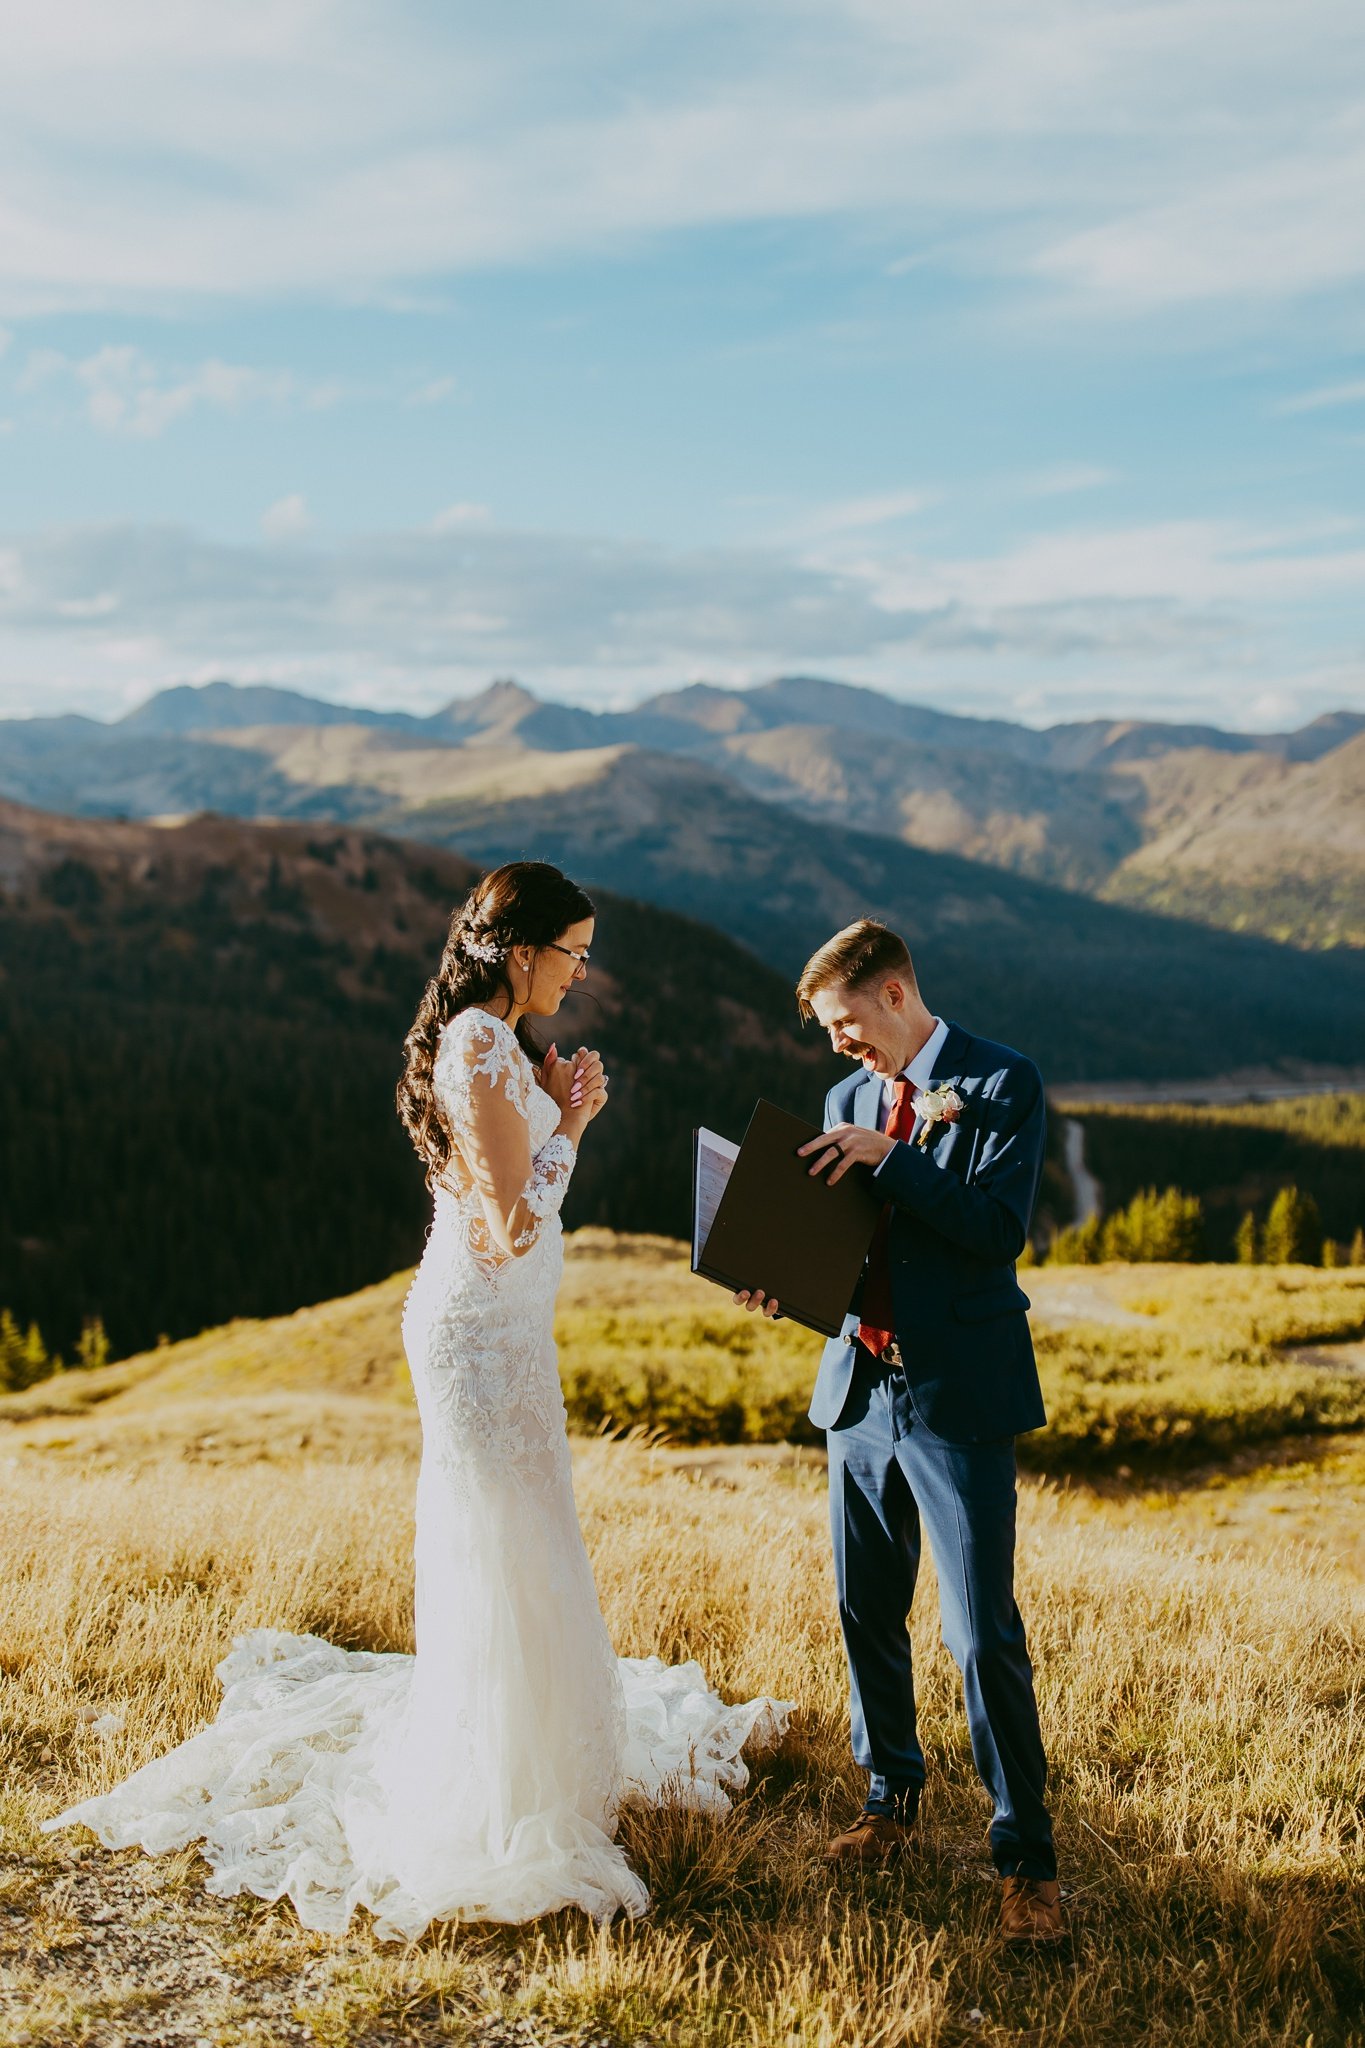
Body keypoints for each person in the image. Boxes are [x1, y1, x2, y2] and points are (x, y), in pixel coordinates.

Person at [44, 860, 789, 1940]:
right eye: (572, 952)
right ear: (519, 951)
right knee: (507, 1542)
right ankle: (500, 1782)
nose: (580, 974)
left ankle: (537, 1754)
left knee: (530, 1539)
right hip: (478, 1338)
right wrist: (575, 1123)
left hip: (507, 1332)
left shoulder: (498, 1040)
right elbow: (507, 1229)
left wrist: (559, 1102)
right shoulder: (480, 1046)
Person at [734, 918, 1062, 1945]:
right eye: (827, 1031)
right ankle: (891, 1800)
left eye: (845, 1024)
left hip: (958, 1390)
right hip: (860, 1388)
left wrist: (890, 1157)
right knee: (864, 1605)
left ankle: (1028, 1864)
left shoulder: (1004, 1081)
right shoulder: (840, 1098)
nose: (840, 1047)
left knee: (981, 1631)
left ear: (893, 992)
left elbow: (995, 1230)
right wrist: (782, 1278)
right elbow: (846, 1241)